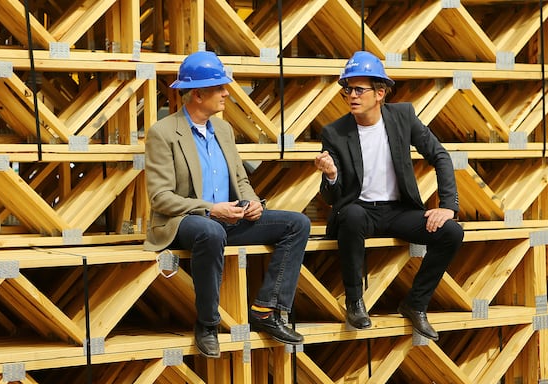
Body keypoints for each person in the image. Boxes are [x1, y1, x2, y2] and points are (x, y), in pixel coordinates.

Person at [144, 51, 311, 358]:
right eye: (219, 87)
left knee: (297, 224)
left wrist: (251, 202)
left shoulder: (223, 130)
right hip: (186, 220)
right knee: (210, 232)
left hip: (229, 218)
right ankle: (207, 324)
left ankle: (266, 310)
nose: (226, 92)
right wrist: (209, 208)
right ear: (197, 94)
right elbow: (160, 197)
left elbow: (240, 178)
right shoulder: (163, 133)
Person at [315, 51, 463, 340]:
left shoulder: (402, 117)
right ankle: (355, 302)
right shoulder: (334, 132)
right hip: (359, 210)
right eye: (348, 89)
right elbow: (331, 197)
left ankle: (415, 304)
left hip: (398, 211)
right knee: (353, 215)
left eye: (360, 89)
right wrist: (331, 175)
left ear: (380, 93)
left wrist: (448, 207)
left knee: (452, 232)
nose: (352, 95)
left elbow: (440, 156)